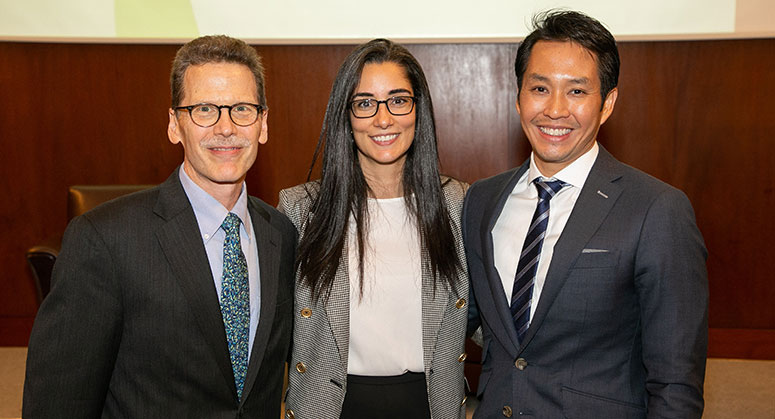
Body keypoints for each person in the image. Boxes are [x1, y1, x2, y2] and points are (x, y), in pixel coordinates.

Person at [23, 35, 297, 418]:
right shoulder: (104, 239)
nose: (226, 127)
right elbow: (59, 402)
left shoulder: (281, 235)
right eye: (204, 109)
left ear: (263, 124)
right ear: (174, 124)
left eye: (242, 109)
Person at [464, 10, 708, 418]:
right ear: (519, 96)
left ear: (607, 103)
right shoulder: (482, 200)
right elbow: (466, 322)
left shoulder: (656, 209)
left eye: (576, 92)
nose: (555, 110)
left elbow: (675, 381)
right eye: (539, 88)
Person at [278, 39, 469, 419]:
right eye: (365, 103)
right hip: (331, 408)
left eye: (398, 100)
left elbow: (492, 320)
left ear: (419, 110)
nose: (384, 119)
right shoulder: (300, 209)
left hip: (430, 406)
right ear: (345, 116)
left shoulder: (458, 205)